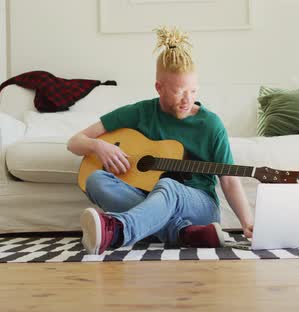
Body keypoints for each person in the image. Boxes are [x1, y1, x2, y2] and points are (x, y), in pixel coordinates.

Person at [67, 26, 253, 255]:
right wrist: (99, 146)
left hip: (200, 205)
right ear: (159, 88)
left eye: (193, 91)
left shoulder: (211, 124)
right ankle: (183, 233)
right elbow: (75, 142)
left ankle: (118, 231)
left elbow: (229, 180)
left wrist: (247, 223)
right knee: (95, 179)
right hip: (148, 197)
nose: (187, 100)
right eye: (179, 91)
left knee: (167, 185)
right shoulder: (140, 112)